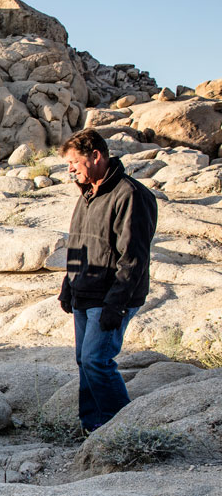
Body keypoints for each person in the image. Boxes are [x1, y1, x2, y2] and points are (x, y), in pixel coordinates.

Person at [57, 129, 158, 433]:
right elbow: (79, 244)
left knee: (97, 362)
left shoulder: (130, 195)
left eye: (74, 162)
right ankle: (93, 426)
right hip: (83, 294)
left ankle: (123, 431)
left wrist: (117, 304)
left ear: (96, 156)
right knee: (84, 362)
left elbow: (134, 256)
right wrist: (68, 285)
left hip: (110, 298)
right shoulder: (86, 194)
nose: (70, 169)